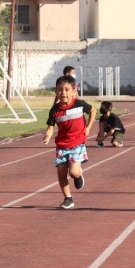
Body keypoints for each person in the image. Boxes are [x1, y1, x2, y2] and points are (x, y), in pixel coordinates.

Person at [43, 75, 93, 210]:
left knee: (73, 173)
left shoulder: (79, 104)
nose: (63, 93)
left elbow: (93, 111)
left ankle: (79, 176)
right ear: (56, 92)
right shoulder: (55, 110)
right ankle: (68, 198)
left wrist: (88, 128)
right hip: (62, 145)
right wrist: (48, 135)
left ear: (73, 91)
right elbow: (50, 127)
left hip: (77, 143)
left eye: (66, 90)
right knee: (61, 172)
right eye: (60, 90)